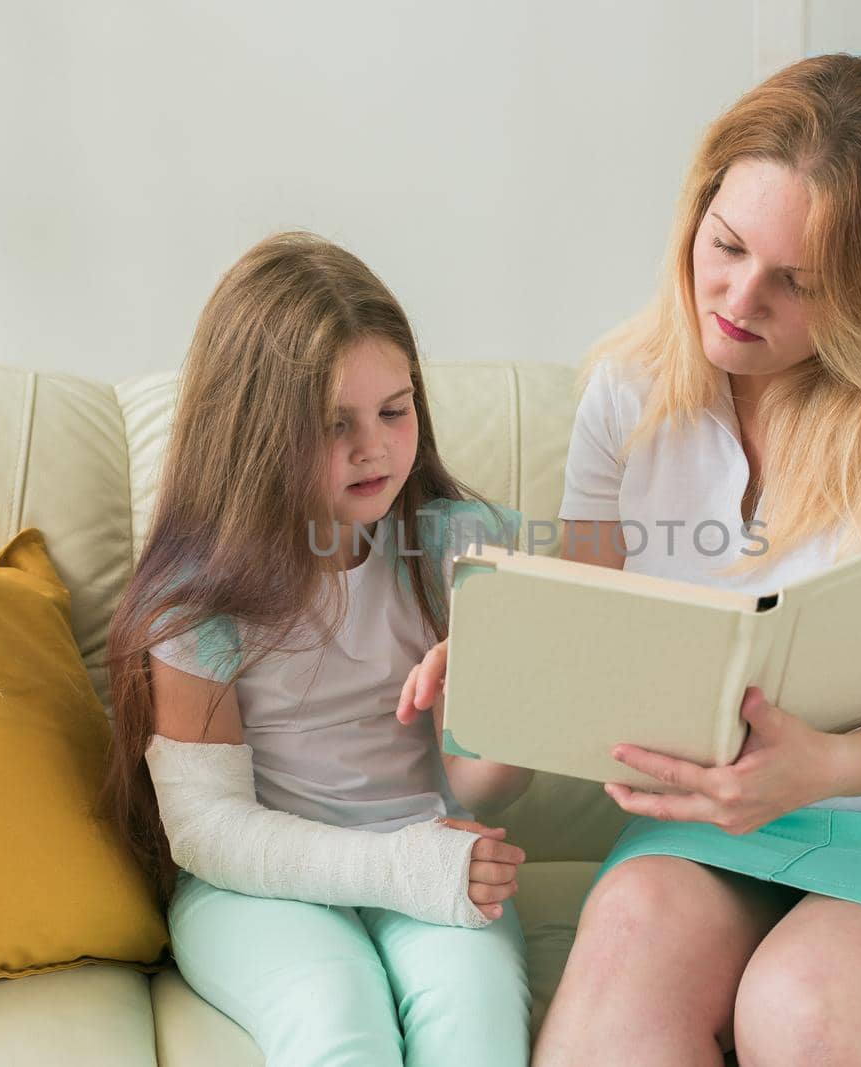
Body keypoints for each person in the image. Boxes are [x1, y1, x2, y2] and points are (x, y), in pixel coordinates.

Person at [401, 55, 861, 1064]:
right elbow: (568, 672)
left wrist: (830, 762)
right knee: (614, 1006)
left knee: (803, 1005)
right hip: (728, 822)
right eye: (727, 244)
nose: (740, 297)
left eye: (799, 281)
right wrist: (496, 674)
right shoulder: (629, 395)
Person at [100, 232, 535, 1067]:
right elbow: (205, 830)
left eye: (394, 410)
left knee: (476, 1028)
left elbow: (489, 786)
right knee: (340, 1023)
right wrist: (397, 867)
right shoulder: (200, 596)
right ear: (254, 434)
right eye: (334, 425)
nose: (374, 448)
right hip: (255, 884)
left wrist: (478, 715)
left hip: (435, 856)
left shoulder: (462, 549)